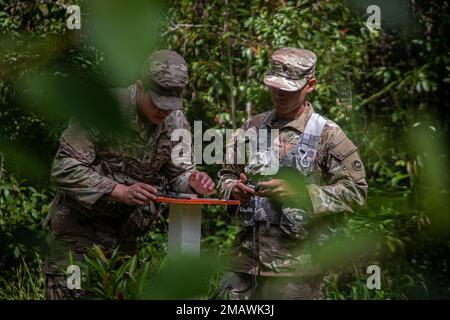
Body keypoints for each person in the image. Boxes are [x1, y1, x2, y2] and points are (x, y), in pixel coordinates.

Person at [44, 50, 214, 299]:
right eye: (157, 102)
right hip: (78, 235)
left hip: (124, 242)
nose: (163, 111)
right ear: (139, 86)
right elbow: (64, 168)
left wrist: (193, 183)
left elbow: (179, 175)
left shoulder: (176, 123)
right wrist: (118, 191)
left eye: (170, 105)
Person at [216, 47, 368, 300]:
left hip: (297, 272)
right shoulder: (252, 127)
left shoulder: (328, 135)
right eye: (274, 86)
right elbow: (225, 176)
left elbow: (356, 192)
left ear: (310, 85)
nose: (279, 93)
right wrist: (234, 190)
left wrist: (303, 194)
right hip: (244, 263)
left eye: (288, 88)